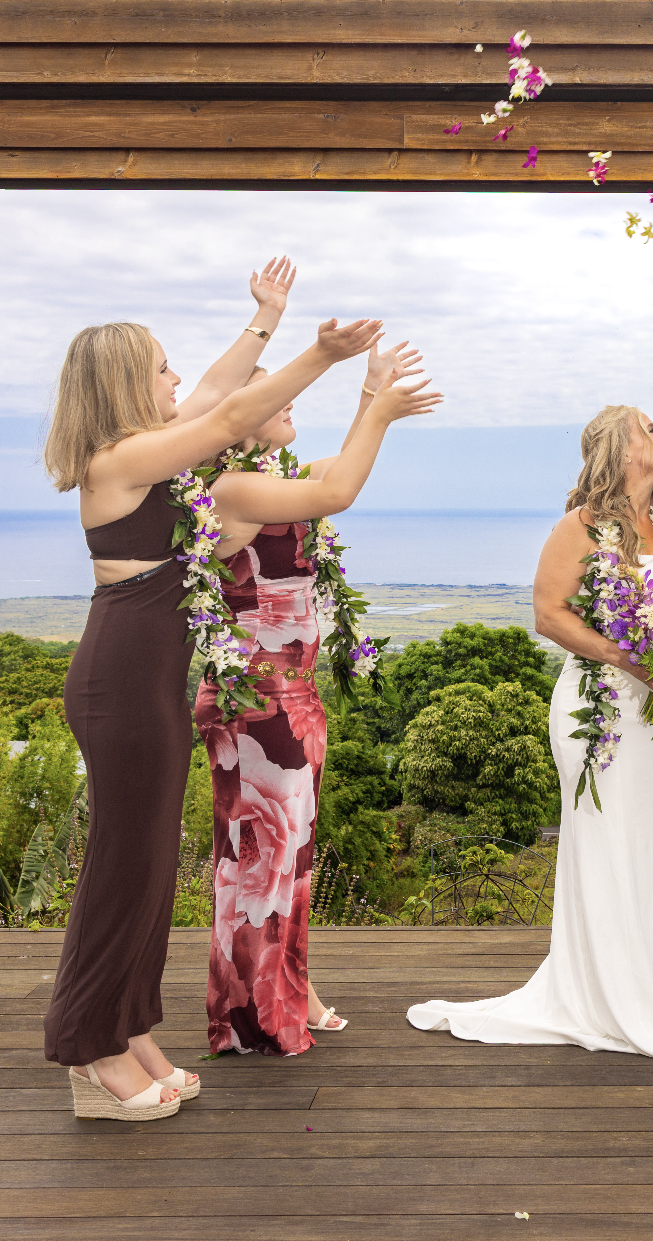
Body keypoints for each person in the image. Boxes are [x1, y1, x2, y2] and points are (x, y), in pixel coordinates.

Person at [40, 254, 379, 1120]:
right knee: (122, 873)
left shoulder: (148, 455)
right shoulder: (120, 461)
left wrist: (265, 319)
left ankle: (129, 1031)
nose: (176, 376)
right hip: (121, 686)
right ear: (125, 383)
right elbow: (230, 410)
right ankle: (90, 1050)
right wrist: (320, 355)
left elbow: (220, 395)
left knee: (150, 873)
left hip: (145, 686)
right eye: (160, 365)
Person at [406, 405, 653, 1060]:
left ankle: (650, 990)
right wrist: (626, 658)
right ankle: (599, 997)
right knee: (603, 841)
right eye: (647, 428)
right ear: (624, 451)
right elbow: (548, 615)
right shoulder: (581, 526)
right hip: (598, 710)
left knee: (649, 844)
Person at [194, 338, 441, 1056]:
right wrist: (384, 414)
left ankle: (284, 994)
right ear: (240, 419)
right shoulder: (234, 489)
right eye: (273, 397)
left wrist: (373, 397)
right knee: (260, 859)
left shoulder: (269, 480)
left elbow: (333, 472)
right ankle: (255, 1017)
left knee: (285, 859)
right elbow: (337, 493)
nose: (289, 401)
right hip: (257, 700)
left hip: (287, 697)